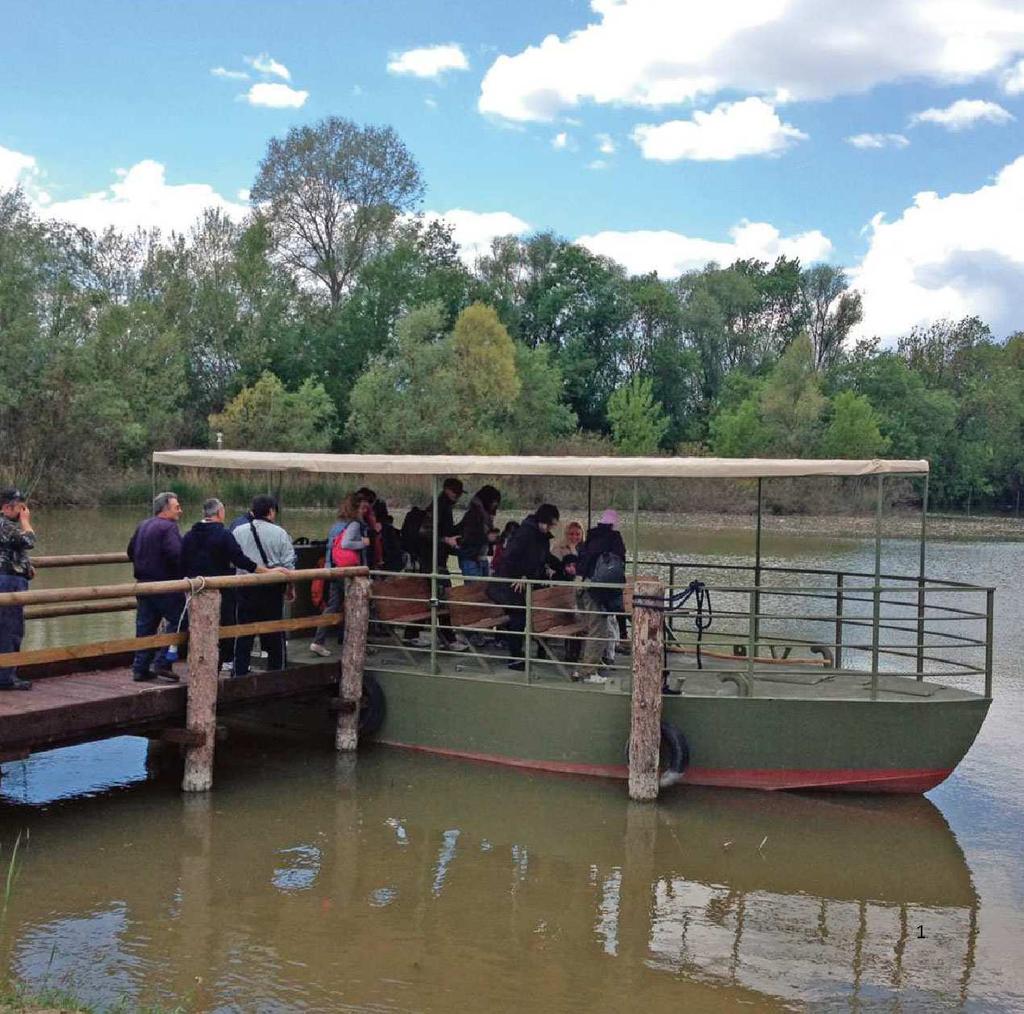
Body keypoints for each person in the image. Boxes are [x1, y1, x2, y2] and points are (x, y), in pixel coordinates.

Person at [181, 497, 280, 668]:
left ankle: (200, 664)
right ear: (220, 513)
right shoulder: (223, 534)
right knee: (225, 629)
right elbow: (241, 560)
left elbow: (181, 561)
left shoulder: (189, 536)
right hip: (220, 592)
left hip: (194, 591)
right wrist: (267, 571)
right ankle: (219, 664)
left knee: (199, 631)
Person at [487, 504, 561, 670]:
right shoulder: (525, 533)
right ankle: (515, 658)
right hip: (513, 585)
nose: (550, 528)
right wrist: (520, 575)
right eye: (549, 524)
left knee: (523, 617)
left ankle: (524, 653)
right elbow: (510, 556)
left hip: (525, 583)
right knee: (518, 619)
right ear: (542, 520)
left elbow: (543, 556)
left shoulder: (539, 536)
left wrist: (560, 565)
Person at [232, 495, 296, 676]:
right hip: (272, 589)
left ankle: (239, 673)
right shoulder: (281, 533)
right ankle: (277, 673)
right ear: (271, 511)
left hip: (245, 587)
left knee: (244, 633)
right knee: (275, 634)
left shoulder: (238, 531)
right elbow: (288, 565)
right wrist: (290, 587)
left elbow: (233, 560)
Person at [127, 491, 187, 683]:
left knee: (145, 627)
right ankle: (163, 661)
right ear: (165, 509)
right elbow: (176, 555)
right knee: (181, 620)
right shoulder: (168, 527)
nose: (180, 511)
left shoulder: (143, 525)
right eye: (177, 507)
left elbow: (130, 551)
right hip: (165, 585)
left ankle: (140, 668)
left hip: (144, 585)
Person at [576, 509, 627, 682]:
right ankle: (588, 672)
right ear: (614, 523)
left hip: (584, 587)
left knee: (592, 628)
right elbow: (620, 560)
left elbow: (583, 561)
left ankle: (584, 666)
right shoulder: (614, 539)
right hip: (598, 590)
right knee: (598, 631)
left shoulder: (591, 537)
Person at [0, 488, 35, 691]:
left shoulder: (7, 526)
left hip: (12, 578)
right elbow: (29, 541)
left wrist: (27, 567)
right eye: (19, 506)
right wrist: (26, 523)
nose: (23, 510)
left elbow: (12, 551)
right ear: (7, 507)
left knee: (10, 627)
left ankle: (8, 673)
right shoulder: (6, 525)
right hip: (8, 583)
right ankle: (6, 678)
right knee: (10, 629)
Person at [310, 498, 352, 657]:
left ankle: (319, 640)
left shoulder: (335, 527)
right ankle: (351, 641)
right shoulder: (351, 527)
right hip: (346, 572)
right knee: (353, 605)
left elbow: (330, 550)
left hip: (333, 570)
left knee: (333, 605)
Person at [458, 485, 501, 579]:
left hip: (480, 558)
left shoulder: (484, 515)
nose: (495, 505)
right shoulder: (473, 515)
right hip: (471, 558)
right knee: (474, 590)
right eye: (495, 502)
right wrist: (487, 538)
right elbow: (467, 539)